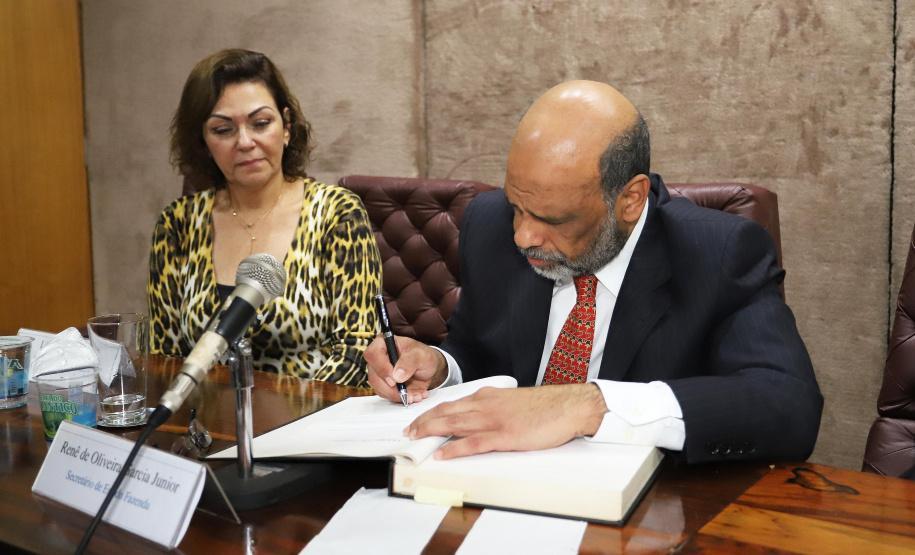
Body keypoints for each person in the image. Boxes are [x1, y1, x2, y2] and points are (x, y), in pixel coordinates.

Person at [364, 81, 823, 463]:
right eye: (517, 207)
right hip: (493, 483)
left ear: (631, 199)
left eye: (553, 219)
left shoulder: (719, 253)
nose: (523, 236)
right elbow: (477, 348)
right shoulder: (488, 222)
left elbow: (788, 404)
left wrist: (588, 404)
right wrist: (440, 367)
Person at [148, 49, 380, 387]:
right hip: (209, 428)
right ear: (203, 142)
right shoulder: (177, 224)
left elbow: (357, 353)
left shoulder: (338, 214)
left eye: (260, 123)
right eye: (223, 130)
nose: (245, 142)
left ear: (286, 127)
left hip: (312, 425)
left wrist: (286, 427)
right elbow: (165, 358)